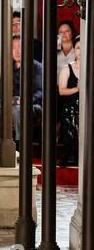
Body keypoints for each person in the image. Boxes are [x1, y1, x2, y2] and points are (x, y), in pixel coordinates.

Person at [0, 36, 42, 146]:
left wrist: (25, 100)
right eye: (13, 48)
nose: (16, 51)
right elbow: (1, 89)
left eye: (19, 47)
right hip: (7, 104)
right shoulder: (8, 66)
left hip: (30, 106)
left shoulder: (38, 67)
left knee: (18, 110)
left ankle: (20, 147)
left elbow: (41, 91)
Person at [58, 35, 81, 167]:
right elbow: (62, 91)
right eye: (78, 48)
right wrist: (78, 89)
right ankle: (71, 154)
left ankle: (75, 154)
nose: (81, 51)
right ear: (74, 50)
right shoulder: (67, 69)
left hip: (87, 107)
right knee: (74, 115)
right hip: (70, 107)